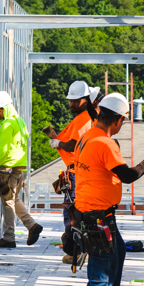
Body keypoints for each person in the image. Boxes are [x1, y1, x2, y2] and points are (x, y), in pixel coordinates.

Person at [72, 92, 144, 286]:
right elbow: (128, 175)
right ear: (118, 121)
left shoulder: (88, 136)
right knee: (101, 264)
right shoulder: (105, 143)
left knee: (117, 252)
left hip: (92, 210)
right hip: (97, 214)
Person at [41, 81, 100, 263]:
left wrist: (58, 143)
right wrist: (57, 139)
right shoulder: (85, 118)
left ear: (84, 100)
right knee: (76, 212)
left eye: (74, 101)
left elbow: (75, 144)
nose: (70, 104)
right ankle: (78, 247)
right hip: (79, 171)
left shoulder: (84, 119)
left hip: (78, 173)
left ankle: (77, 251)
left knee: (73, 213)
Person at [0, 90, 43, 248]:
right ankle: (31, 225)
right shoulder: (19, 121)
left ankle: (9, 237)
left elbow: (5, 149)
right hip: (21, 168)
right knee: (13, 199)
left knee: (7, 202)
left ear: (6, 108)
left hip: (9, 169)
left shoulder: (7, 124)